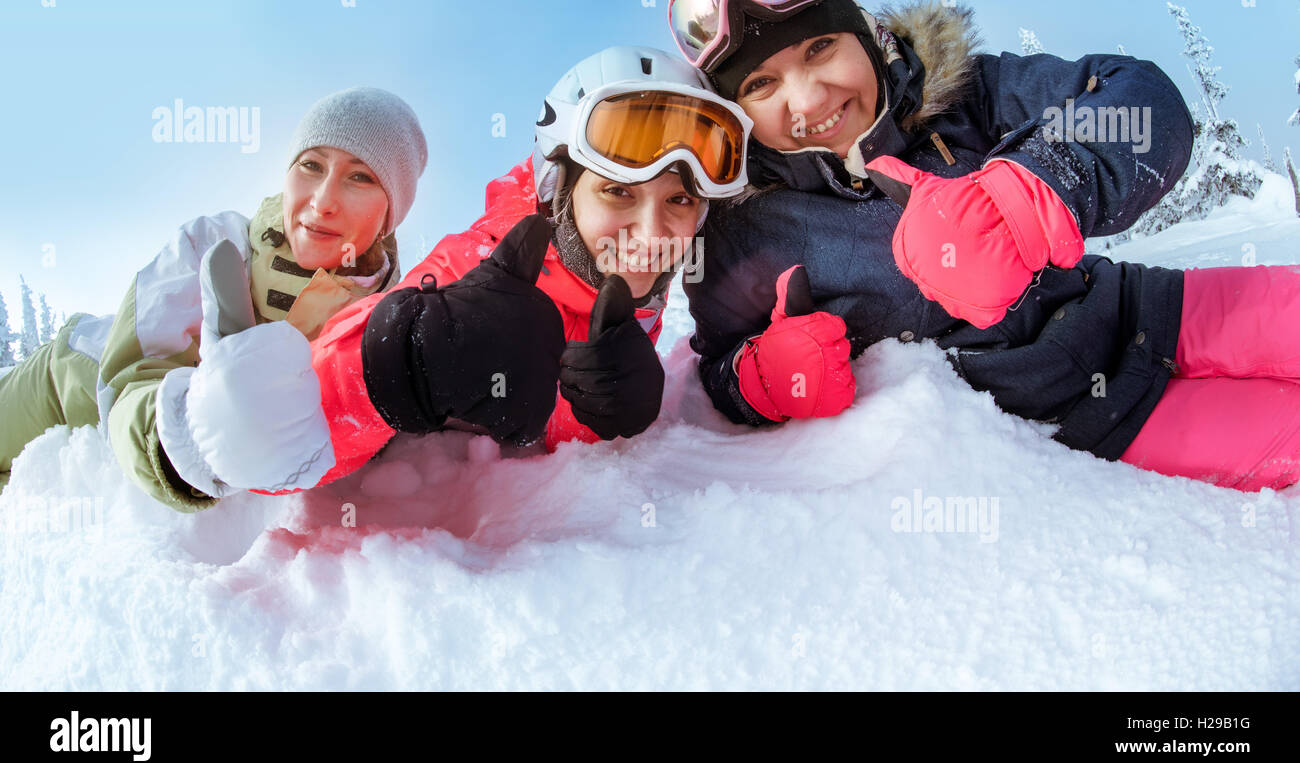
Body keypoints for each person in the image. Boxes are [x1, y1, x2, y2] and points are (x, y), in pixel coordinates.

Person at [668, 0, 1300, 492]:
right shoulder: (744, 231)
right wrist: (761, 377)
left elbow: (1141, 99)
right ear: (734, 118)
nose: (808, 98)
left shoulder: (964, 96)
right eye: (761, 85)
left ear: (865, 36)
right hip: (1101, 418)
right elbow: (719, 363)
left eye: (819, 49)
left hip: (1158, 307)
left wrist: (1035, 186)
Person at [271, 45, 754, 484]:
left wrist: (594, 414)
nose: (652, 235)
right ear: (558, 192)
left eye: (680, 200)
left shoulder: (633, 289)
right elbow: (275, 444)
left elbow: (544, 429)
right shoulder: (480, 267)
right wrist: (395, 365)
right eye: (618, 192)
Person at [0, 86, 428, 511]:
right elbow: (133, 375)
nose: (321, 201)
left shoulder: (386, 324)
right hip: (67, 381)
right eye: (311, 165)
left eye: (360, 176)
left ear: (391, 214)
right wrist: (187, 439)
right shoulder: (217, 243)